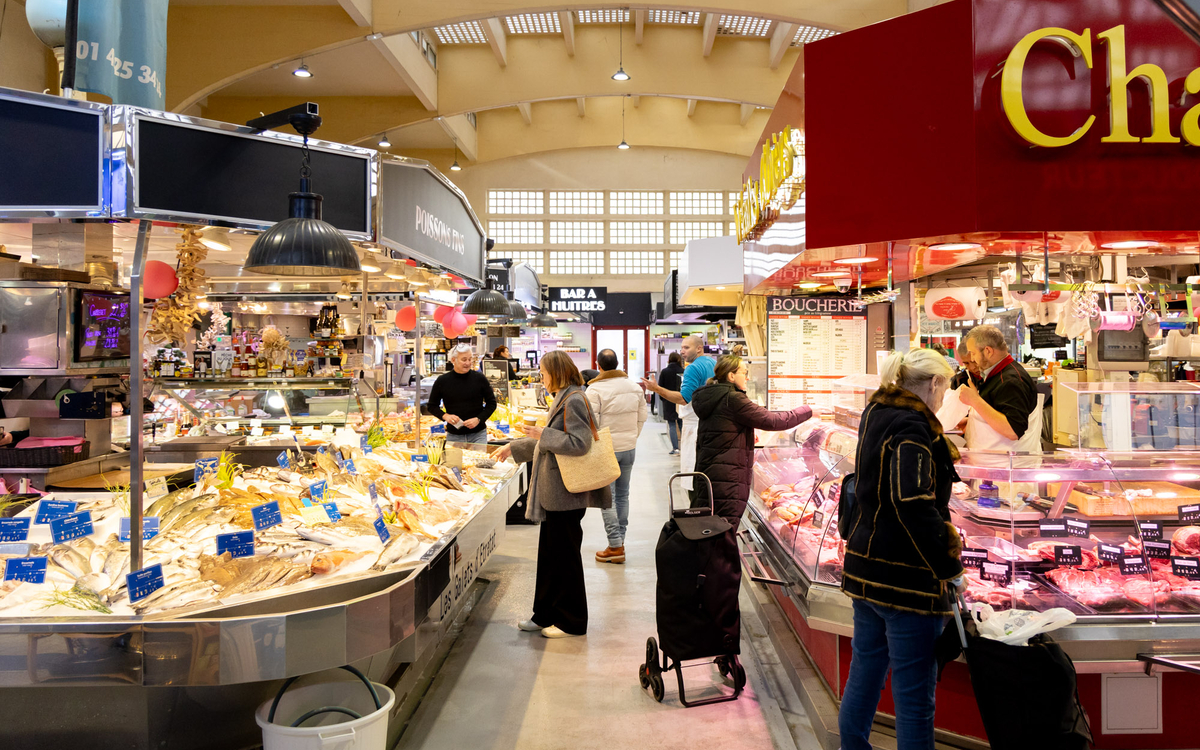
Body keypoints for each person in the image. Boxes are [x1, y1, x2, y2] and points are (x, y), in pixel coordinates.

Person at [838, 349, 965, 750]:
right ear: (933, 384)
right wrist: (947, 563)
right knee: (913, 698)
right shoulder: (913, 427)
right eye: (945, 387)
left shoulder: (876, 412)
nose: (946, 397)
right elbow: (911, 502)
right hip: (906, 580)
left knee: (865, 672)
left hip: (865, 568)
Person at [494, 351, 611, 638]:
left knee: (565, 557)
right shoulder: (564, 396)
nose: (541, 378)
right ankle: (544, 614)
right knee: (549, 556)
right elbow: (548, 440)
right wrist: (514, 447)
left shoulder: (574, 399)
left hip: (566, 494)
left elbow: (579, 443)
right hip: (554, 492)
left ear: (556, 372)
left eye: (544, 373)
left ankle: (572, 621)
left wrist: (540, 434)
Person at [691, 355, 815, 525]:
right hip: (726, 481)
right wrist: (809, 410)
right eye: (744, 372)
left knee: (713, 530)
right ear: (731, 376)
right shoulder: (733, 398)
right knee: (722, 531)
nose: (748, 377)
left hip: (712, 474)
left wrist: (744, 432)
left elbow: (722, 429)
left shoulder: (714, 396)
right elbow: (774, 420)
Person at [586, 348, 648, 564]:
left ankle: (615, 545)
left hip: (606, 449)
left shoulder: (594, 390)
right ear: (618, 363)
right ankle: (620, 542)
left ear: (598, 366)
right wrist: (632, 437)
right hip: (629, 448)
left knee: (607, 498)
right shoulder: (633, 386)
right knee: (622, 496)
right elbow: (642, 416)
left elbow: (591, 423)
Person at [642, 335, 714, 489]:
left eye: (686, 348)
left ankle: (696, 510)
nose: (682, 351)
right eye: (681, 348)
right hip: (710, 425)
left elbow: (683, 398)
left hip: (695, 427)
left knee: (693, 475)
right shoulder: (712, 363)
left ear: (699, 348)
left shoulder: (693, 368)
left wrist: (656, 389)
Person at [958, 324, 1038, 451]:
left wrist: (974, 400)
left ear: (988, 351)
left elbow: (1013, 430)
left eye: (973, 353)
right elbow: (997, 413)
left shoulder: (1012, 381)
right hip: (993, 464)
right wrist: (975, 422)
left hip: (1009, 465)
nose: (972, 359)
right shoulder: (996, 374)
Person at [426, 343, 497, 445]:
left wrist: (479, 419)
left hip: (478, 435)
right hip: (454, 435)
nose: (468, 363)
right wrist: (445, 416)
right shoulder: (443, 381)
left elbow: (492, 403)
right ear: (453, 360)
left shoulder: (480, 378)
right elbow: (432, 406)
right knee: (454, 461)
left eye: (470, 359)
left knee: (479, 461)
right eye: (464, 359)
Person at [657, 352, 685, 455]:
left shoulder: (664, 372)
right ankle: (685, 446)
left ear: (669, 360)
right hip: (681, 400)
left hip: (668, 401)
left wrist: (663, 399)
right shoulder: (684, 371)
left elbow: (660, 387)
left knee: (672, 424)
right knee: (682, 424)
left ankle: (675, 448)